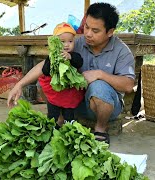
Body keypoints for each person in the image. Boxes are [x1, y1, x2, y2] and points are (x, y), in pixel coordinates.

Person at [8, 2, 135, 144]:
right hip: (75, 103)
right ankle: (60, 119)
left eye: (95, 30)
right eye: (86, 27)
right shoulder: (76, 42)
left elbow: (128, 85)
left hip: (107, 107)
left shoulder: (122, 51)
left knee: (98, 86)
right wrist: (20, 84)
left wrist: (100, 74)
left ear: (110, 32)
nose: (88, 33)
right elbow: (45, 64)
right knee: (46, 79)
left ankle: (100, 127)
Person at [37, 22, 84, 127]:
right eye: (63, 42)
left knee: (69, 110)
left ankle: (69, 125)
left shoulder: (74, 55)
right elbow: (45, 71)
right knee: (53, 110)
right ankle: (52, 126)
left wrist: (70, 57)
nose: (67, 44)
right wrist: (52, 60)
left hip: (68, 92)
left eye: (70, 41)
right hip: (55, 91)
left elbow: (79, 62)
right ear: (56, 43)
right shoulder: (51, 57)